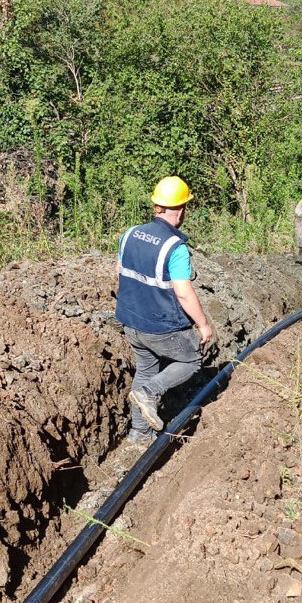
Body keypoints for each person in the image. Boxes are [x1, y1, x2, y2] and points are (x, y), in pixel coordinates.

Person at [114, 176, 214, 443]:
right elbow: (183, 292)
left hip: (130, 320)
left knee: (146, 369)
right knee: (191, 360)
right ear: (180, 209)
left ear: (157, 205)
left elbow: (121, 272)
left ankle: (139, 433)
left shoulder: (130, 234)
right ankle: (151, 393)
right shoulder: (175, 248)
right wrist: (203, 324)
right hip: (158, 326)